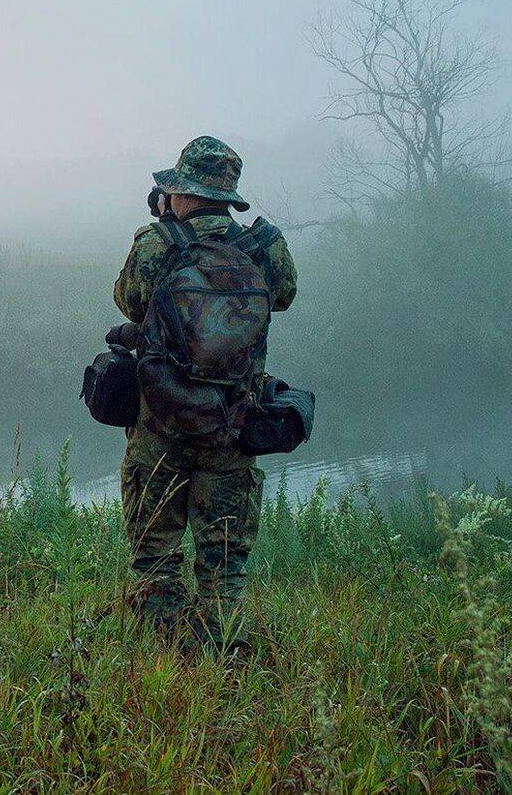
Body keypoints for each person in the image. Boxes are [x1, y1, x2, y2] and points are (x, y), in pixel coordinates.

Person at [112, 135, 297, 657]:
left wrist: (162, 227)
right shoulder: (263, 248)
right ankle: (227, 670)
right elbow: (282, 297)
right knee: (223, 566)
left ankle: (166, 667)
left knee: (155, 557)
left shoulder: (156, 244)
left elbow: (129, 302)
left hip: (159, 430)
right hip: (232, 428)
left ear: (183, 193)